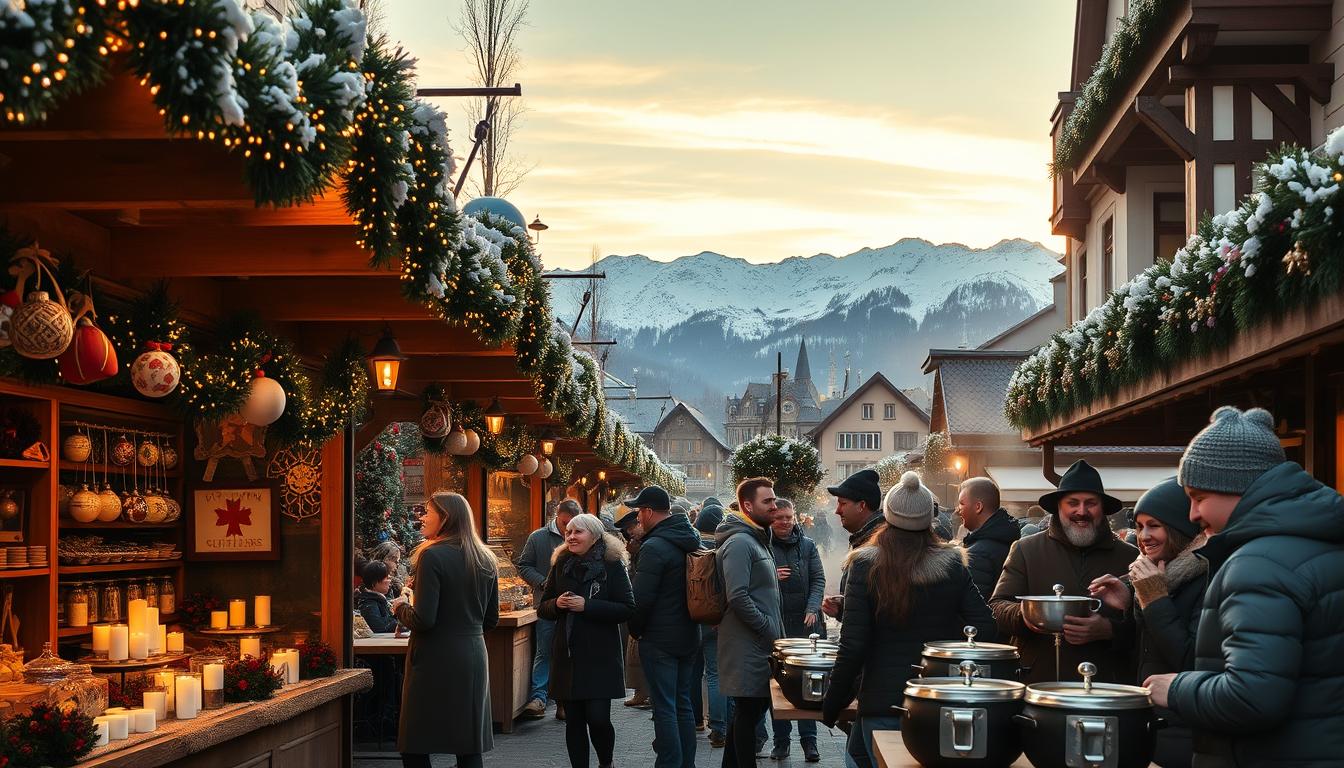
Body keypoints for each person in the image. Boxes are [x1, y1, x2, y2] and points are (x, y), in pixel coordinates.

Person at [1143, 407, 1344, 767]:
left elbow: (1252, 697)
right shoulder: (1317, 544)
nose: (1192, 514)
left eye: (1199, 496)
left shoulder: (1259, 564)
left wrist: (1174, 689)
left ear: (1238, 487)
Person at [820, 472, 996, 767]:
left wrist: (832, 703)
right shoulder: (953, 563)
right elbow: (986, 628)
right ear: (929, 518)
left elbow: (853, 644)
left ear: (888, 515)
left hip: (883, 699)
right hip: (937, 698)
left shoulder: (865, 564)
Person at [1088, 478, 1206, 768]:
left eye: (1154, 525)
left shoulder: (1206, 578)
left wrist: (1154, 600)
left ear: (1180, 528)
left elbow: (1191, 661)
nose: (1143, 536)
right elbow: (1146, 652)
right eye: (1139, 526)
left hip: (1187, 738)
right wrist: (1132, 605)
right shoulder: (1157, 576)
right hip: (1152, 727)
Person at [989, 459, 1138, 684]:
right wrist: (1027, 616)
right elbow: (997, 607)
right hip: (1038, 684)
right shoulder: (1026, 549)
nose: (1081, 511)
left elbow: (1148, 628)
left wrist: (1110, 630)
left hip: (1108, 686)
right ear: (1059, 507)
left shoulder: (1130, 557)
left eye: (1091, 503)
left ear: (1103, 508)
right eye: (1073, 502)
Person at [392, 491, 497, 768]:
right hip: (472, 655)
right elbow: (491, 619)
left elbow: (425, 620)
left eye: (428, 511)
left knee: (415, 743)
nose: (422, 517)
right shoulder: (486, 558)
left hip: (434, 658)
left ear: (445, 517)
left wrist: (400, 607)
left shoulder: (432, 556)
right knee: (467, 744)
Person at [538, 513, 635, 768]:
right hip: (568, 655)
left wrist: (587, 606)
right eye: (568, 532)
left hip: (600, 655)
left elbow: (626, 608)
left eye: (577, 532)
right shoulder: (561, 563)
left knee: (599, 718)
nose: (570, 536)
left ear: (594, 536)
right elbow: (543, 608)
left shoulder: (612, 564)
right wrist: (557, 604)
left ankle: (606, 763)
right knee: (574, 721)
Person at [627, 486, 703, 768]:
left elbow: (641, 600)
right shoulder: (688, 538)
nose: (637, 518)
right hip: (688, 634)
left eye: (638, 512)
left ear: (647, 512)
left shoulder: (655, 546)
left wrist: (636, 630)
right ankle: (687, 763)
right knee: (683, 704)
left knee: (664, 707)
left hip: (660, 638)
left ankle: (669, 763)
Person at [716, 477, 785, 768]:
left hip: (758, 645)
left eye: (774, 499)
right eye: (767, 501)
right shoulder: (740, 542)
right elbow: (738, 596)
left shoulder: (756, 539)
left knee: (749, 712)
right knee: (748, 711)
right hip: (748, 645)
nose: (774, 505)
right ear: (747, 505)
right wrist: (767, 627)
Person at [767, 498, 826, 762]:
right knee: (779, 686)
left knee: (808, 686)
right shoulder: (764, 546)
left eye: (788, 517)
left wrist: (813, 607)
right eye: (779, 517)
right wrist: (770, 576)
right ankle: (781, 742)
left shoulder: (808, 545)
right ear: (771, 519)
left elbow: (818, 579)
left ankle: (809, 742)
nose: (785, 522)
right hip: (778, 626)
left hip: (806, 625)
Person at [517, 499, 579, 719]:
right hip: (547, 605)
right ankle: (539, 698)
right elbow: (523, 565)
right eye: (564, 524)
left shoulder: (584, 537)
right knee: (545, 651)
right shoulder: (538, 537)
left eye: (573, 525)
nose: (568, 530)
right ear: (557, 517)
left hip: (574, 608)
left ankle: (565, 700)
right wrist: (542, 582)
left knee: (568, 654)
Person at [819, 468, 884, 620]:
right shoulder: (866, 538)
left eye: (842, 503)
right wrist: (843, 610)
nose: (837, 510)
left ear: (861, 505)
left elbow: (884, 613)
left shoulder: (880, 543)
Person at [692, 500, 728, 747]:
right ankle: (719, 729)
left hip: (692, 619)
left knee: (693, 674)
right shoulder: (723, 549)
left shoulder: (690, 549)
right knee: (715, 674)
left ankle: (695, 720)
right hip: (715, 620)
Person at [957, 477, 1020, 599]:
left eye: (961, 503)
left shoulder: (978, 554)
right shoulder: (1010, 538)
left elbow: (975, 606)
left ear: (978, 507)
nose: (958, 509)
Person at [615, 506, 650, 709]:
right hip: (636, 604)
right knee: (635, 654)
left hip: (644, 608)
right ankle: (641, 691)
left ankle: (647, 693)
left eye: (631, 527)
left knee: (641, 653)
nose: (629, 533)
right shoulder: (636, 546)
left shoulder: (647, 546)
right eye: (626, 530)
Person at [356, 560, 400, 633]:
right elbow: (380, 628)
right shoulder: (368, 604)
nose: (390, 581)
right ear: (374, 583)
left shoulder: (379, 599)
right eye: (387, 578)